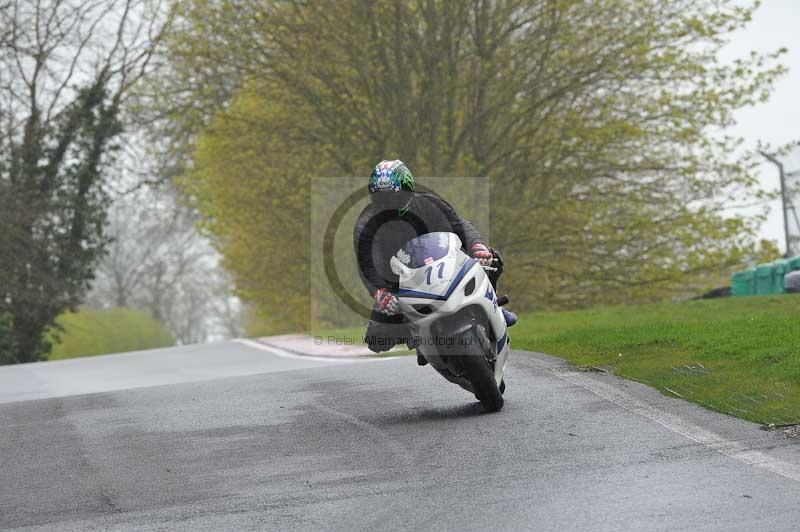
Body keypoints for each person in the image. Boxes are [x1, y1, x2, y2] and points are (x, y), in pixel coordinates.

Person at [353, 159, 516, 359]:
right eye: (381, 198)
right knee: (377, 339)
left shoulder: (428, 204)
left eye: (393, 197)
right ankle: (419, 337)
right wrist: (381, 294)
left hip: (444, 266)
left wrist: (477, 248)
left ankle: (492, 308)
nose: (388, 204)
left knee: (493, 260)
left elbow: (459, 225)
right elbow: (367, 264)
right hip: (399, 282)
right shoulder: (366, 223)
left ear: (408, 190)